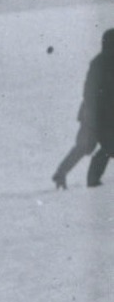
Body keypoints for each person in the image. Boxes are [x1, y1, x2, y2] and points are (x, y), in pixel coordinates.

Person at [53, 29, 114, 189]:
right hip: (95, 115)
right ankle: (90, 180)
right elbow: (90, 91)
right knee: (91, 147)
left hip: (102, 115)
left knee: (89, 147)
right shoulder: (99, 64)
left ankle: (63, 174)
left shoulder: (105, 62)